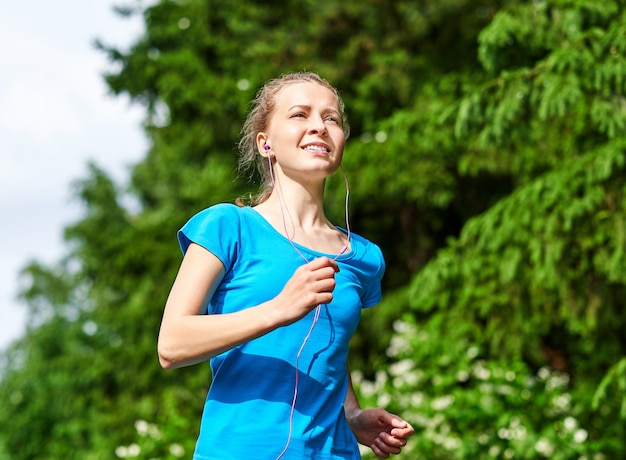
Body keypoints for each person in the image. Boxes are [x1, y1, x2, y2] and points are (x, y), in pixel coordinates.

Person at [157, 72, 414, 459]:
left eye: (331, 119)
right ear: (266, 144)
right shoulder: (229, 227)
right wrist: (279, 308)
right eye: (300, 115)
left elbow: (328, 352)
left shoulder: (363, 257)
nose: (319, 127)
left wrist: (354, 414)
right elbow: (172, 344)